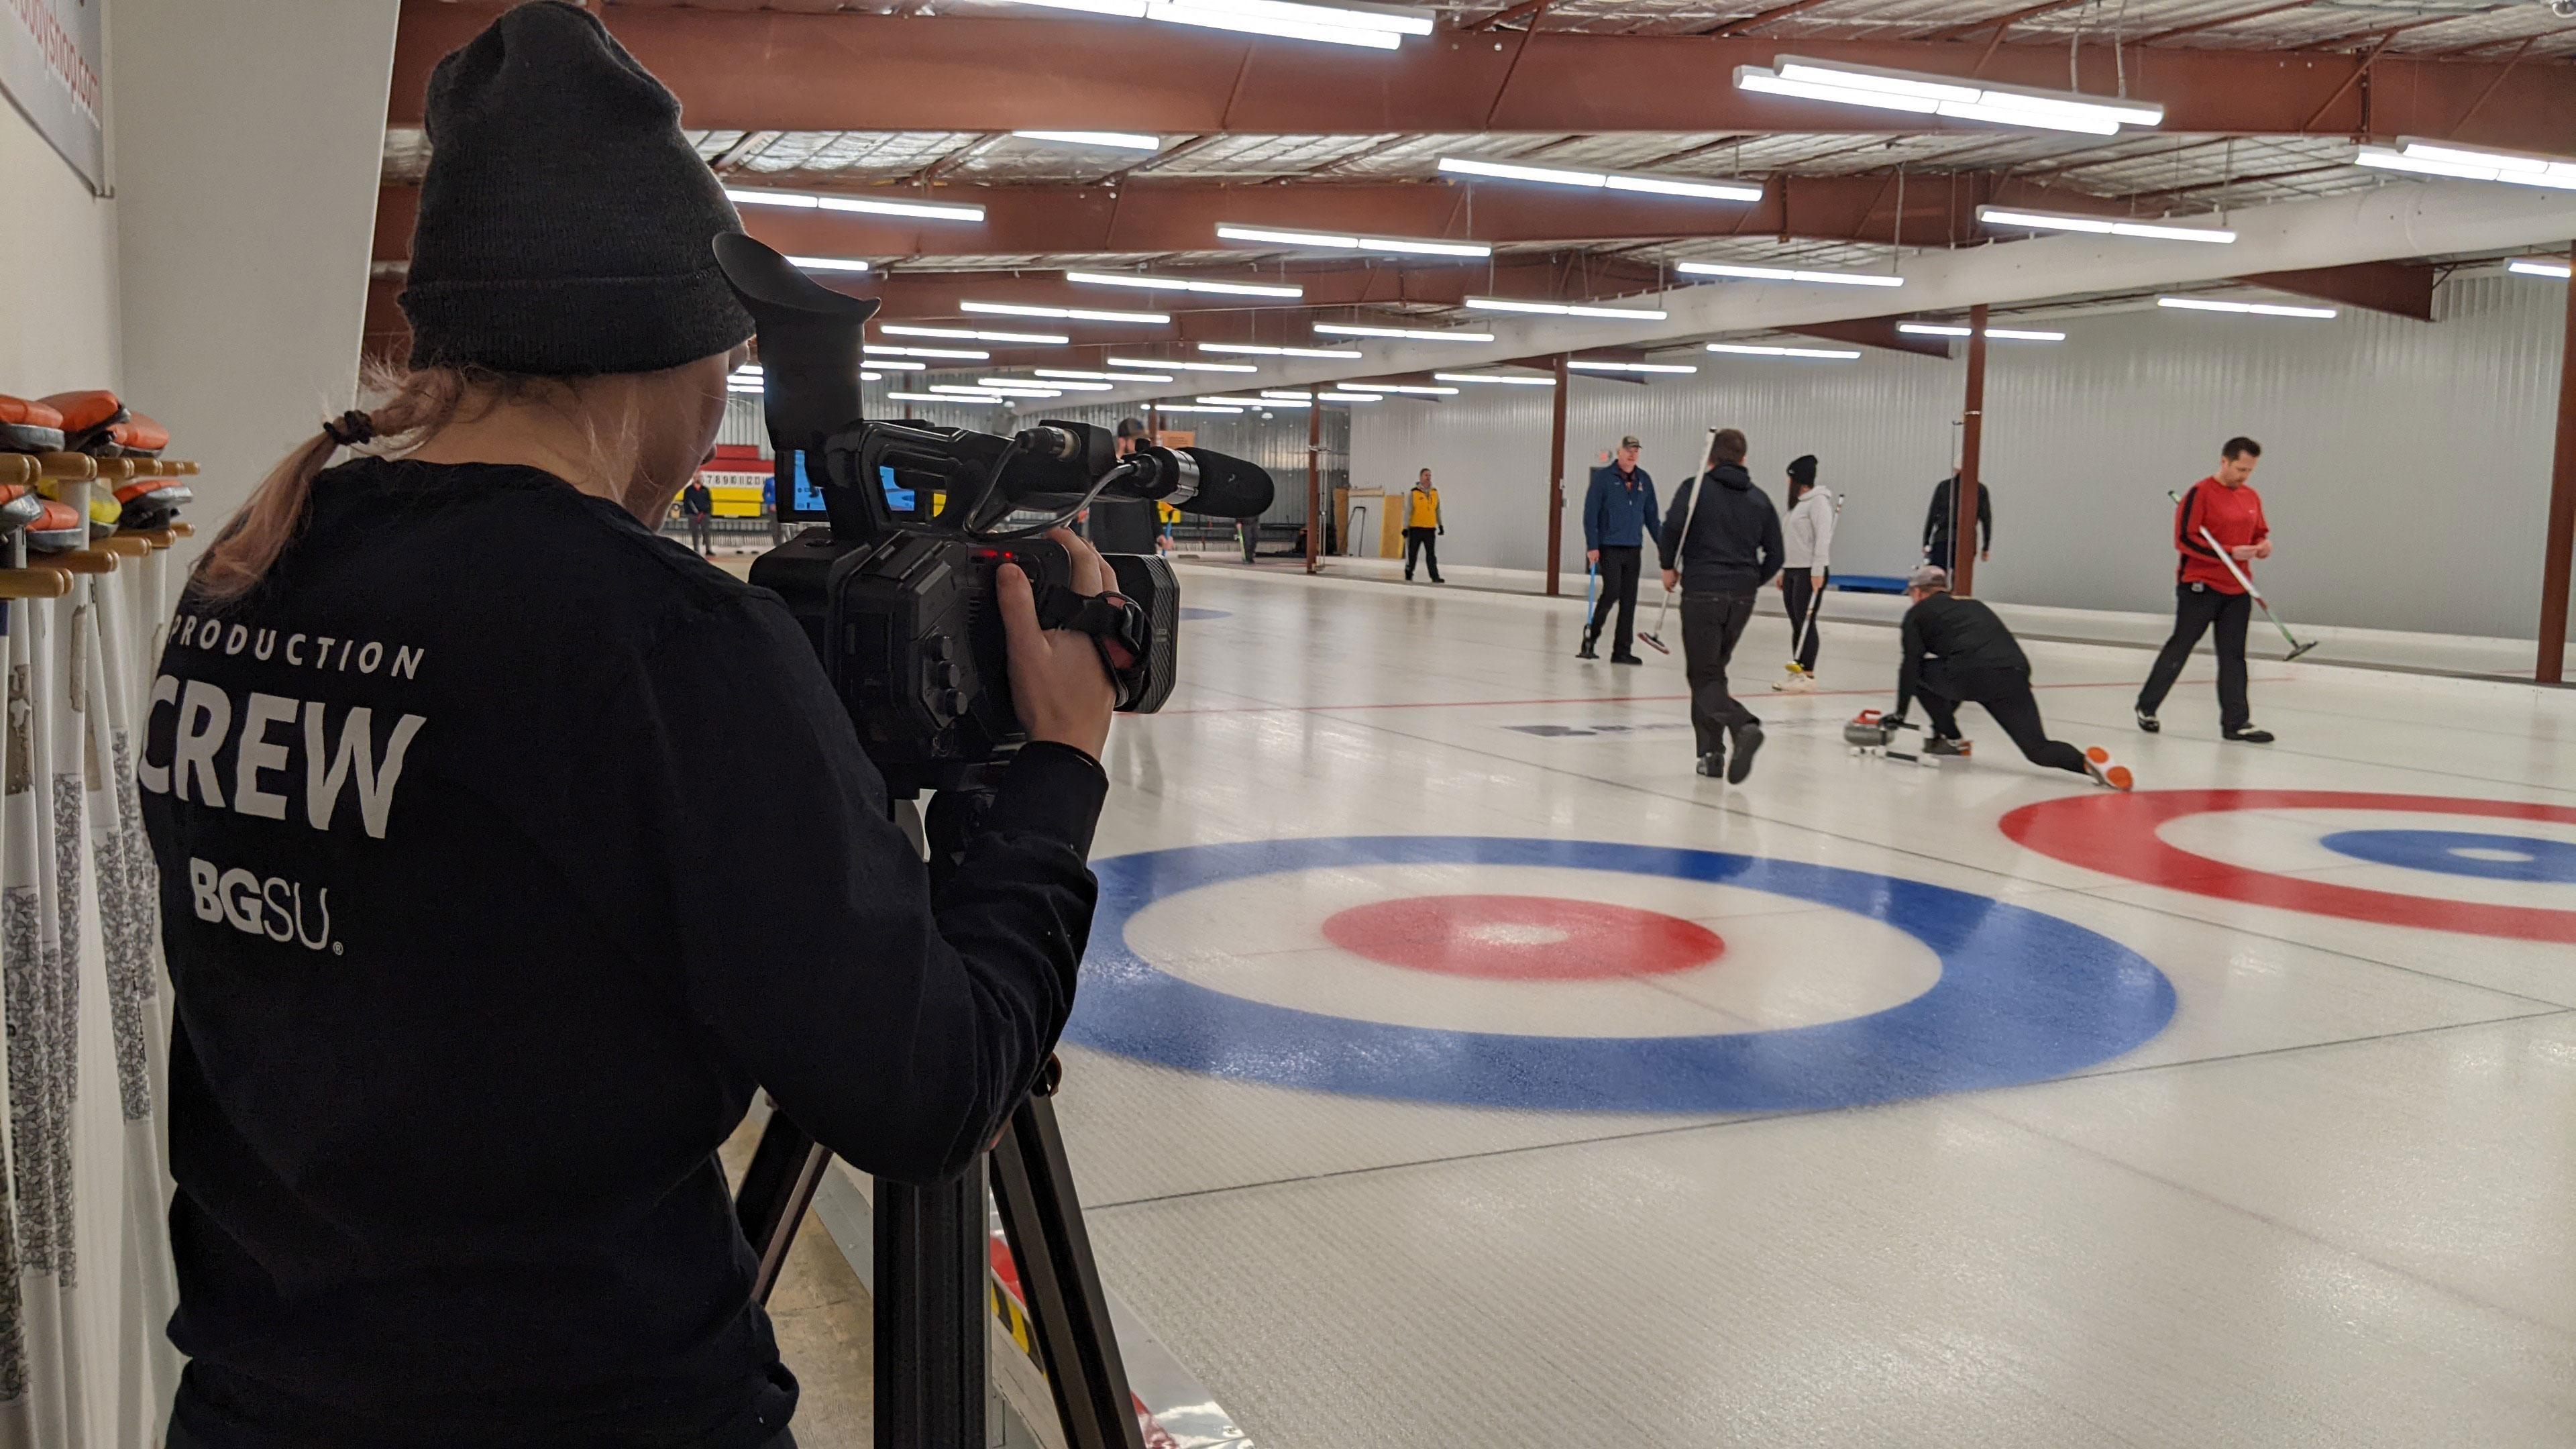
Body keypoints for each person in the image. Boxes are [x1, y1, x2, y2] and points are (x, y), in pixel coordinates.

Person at [138, 9, 1118, 1448]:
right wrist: (1055, 775)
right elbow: (929, 1091)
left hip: (257, 1402)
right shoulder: (652, 636)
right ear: (668, 348)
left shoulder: (246, 567)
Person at [1889, 565, 2128, 790]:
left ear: (1918, 592)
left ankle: (1952, 739)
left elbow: (1910, 664)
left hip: (1968, 674)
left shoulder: (1917, 614)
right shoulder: (1974, 605)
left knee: (1921, 673)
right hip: (2013, 672)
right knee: (2037, 749)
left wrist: (1900, 713)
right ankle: (2090, 764)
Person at [1658, 428, 1780, 782]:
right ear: (1743, 458)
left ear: (1711, 458)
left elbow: (1674, 527)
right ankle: (1711, 755)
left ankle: (1743, 725)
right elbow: (1777, 553)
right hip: (1741, 598)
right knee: (1714, 672)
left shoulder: (1695, 490)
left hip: (1702, 592)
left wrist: (1668, 565)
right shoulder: (1759, 499)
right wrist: (1750, 581)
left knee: (1703, 675)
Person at [2137, 436, 2275, 743]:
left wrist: (2263, 546)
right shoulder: (2199, 493)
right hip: (2200, 586)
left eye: (2250, 471)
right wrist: (2227, 552)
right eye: (2240, 469)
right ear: (2224, 461)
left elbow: (2260, 533)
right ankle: (2147, 706)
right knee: (2182, 645)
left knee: (2233, 655)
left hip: (2238, 587)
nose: (2244, 476)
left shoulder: (2251, 497)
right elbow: (2184, 540)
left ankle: (2236, 722)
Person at [1580, 434, 1658, 663]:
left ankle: (1622, 650)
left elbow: (1652, 518)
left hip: (1633, 547)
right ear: (1620, 452)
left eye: (1636, 450)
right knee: (1612, 591)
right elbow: (1590, 513)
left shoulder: (1644, 480)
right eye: (1628, 450)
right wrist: (1592, 545)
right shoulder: (1604, 479)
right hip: (1609, 546)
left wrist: (1664, 546)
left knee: (1629, 600)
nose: (1632, 454)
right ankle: (1591, 637)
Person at [1773, 453, 1833, 690]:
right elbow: (1789, 541)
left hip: (1810, 571)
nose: (1787, 483)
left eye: (1790, 479)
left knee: (1807, 621)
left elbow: (1823, 539)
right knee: (1797, 622)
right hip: (1792, 570)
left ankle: (1808, 674)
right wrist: (1783, 569)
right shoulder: (1797, 506)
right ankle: (1798, 668)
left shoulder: (1818, 502)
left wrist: (1818, 570)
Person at [1922, 470, 1991, 571]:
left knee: (1938, 577)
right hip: (1967, 540)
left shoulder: (1943, 487)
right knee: (1961, 579)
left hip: (1943, 538)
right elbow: (1986, 520)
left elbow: (1932, 515)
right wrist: (1986, 547)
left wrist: (1926, 542)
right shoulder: (1980, 489)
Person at [1403, 467, 1444, 582]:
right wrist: (1405, 528)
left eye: (1430, 475)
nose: (1428, 477)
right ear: (1421, 477)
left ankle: (1435, 577)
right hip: (1416, 528)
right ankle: (1409, 573)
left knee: (1431, 555)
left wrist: (1440, 525)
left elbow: (1437, 510)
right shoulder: (1414, 493)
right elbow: (1408, 511)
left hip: (1430, 529)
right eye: (1426, 475)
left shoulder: (1435, 492)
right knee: (1412, 554)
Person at [681, 472, 714, 555]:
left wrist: (708, 512)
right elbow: (686, 502)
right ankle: (696, 550)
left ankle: (708, 550)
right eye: (696, 477)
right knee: (695, 532)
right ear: (693, 478)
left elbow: (709, 502)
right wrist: (690, 513)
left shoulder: (705, 490)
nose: (698, 478)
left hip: (705, 514)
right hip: (693, 515)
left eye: (700, 477)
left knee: (706, 532)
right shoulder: (688, 490)